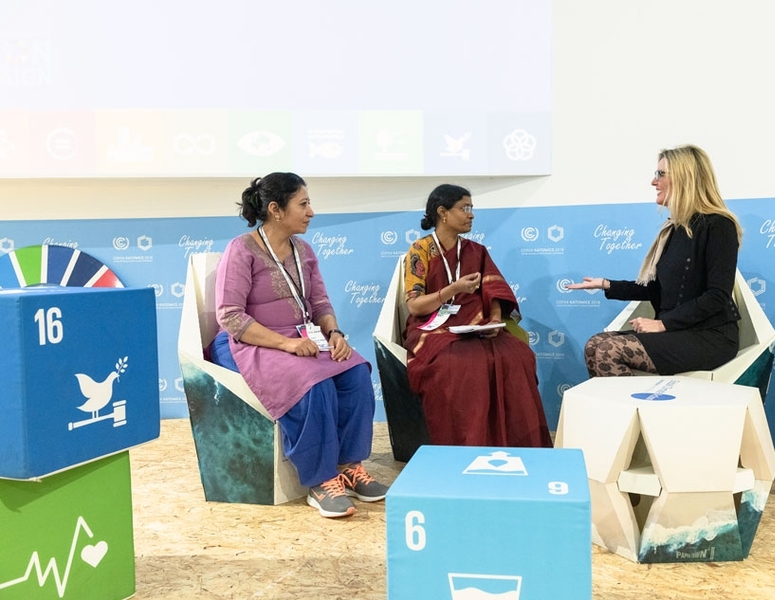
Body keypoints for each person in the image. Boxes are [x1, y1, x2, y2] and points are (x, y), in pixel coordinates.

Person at [208, 172, 387, 518]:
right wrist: (285, 346)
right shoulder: (241, 250)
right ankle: (320, 482)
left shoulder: (303, 250)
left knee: (356, 374)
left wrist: (335, 335)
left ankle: (348, 465)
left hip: (300, 340)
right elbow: (230, 317)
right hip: (248, 343)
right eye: (303, 204)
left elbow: (319, 303)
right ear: (276, 209)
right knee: (313, 383)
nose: (311, 212)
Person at [567, 144, 743, 377]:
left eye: (660, 174)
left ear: (684, 178)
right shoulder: (674, 229)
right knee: (594, 345)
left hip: (709, 336)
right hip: (677, 331)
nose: (653, 181)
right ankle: (627, 410)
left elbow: (717, 296)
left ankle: (627, 412)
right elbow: (656, 289)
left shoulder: (719, 225)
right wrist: (606, 284)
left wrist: (662, 324)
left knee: (608, 350)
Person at [402, 183, 553, 448]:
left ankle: (521, 446)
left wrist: (495, 319)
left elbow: (495, 293)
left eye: (472, 208)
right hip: (432, 328)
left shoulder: (476, 251)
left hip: (476, 325)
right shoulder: (420, 250)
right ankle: (464, 445)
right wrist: (454, 289)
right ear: (443, 212)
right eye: (465, 208)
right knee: (461, 364)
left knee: (517, 356)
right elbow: (415, 307)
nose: (471, 214)